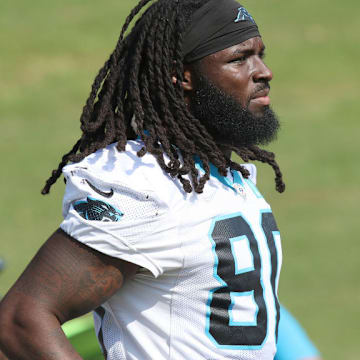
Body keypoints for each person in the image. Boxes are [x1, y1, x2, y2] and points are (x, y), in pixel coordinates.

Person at [0, 0, 290, 359]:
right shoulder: (144, 184)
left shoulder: (230, 178)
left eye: (261, 55)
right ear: (183, 76)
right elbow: (22, 317)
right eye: (239, 58)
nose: (263, 71)